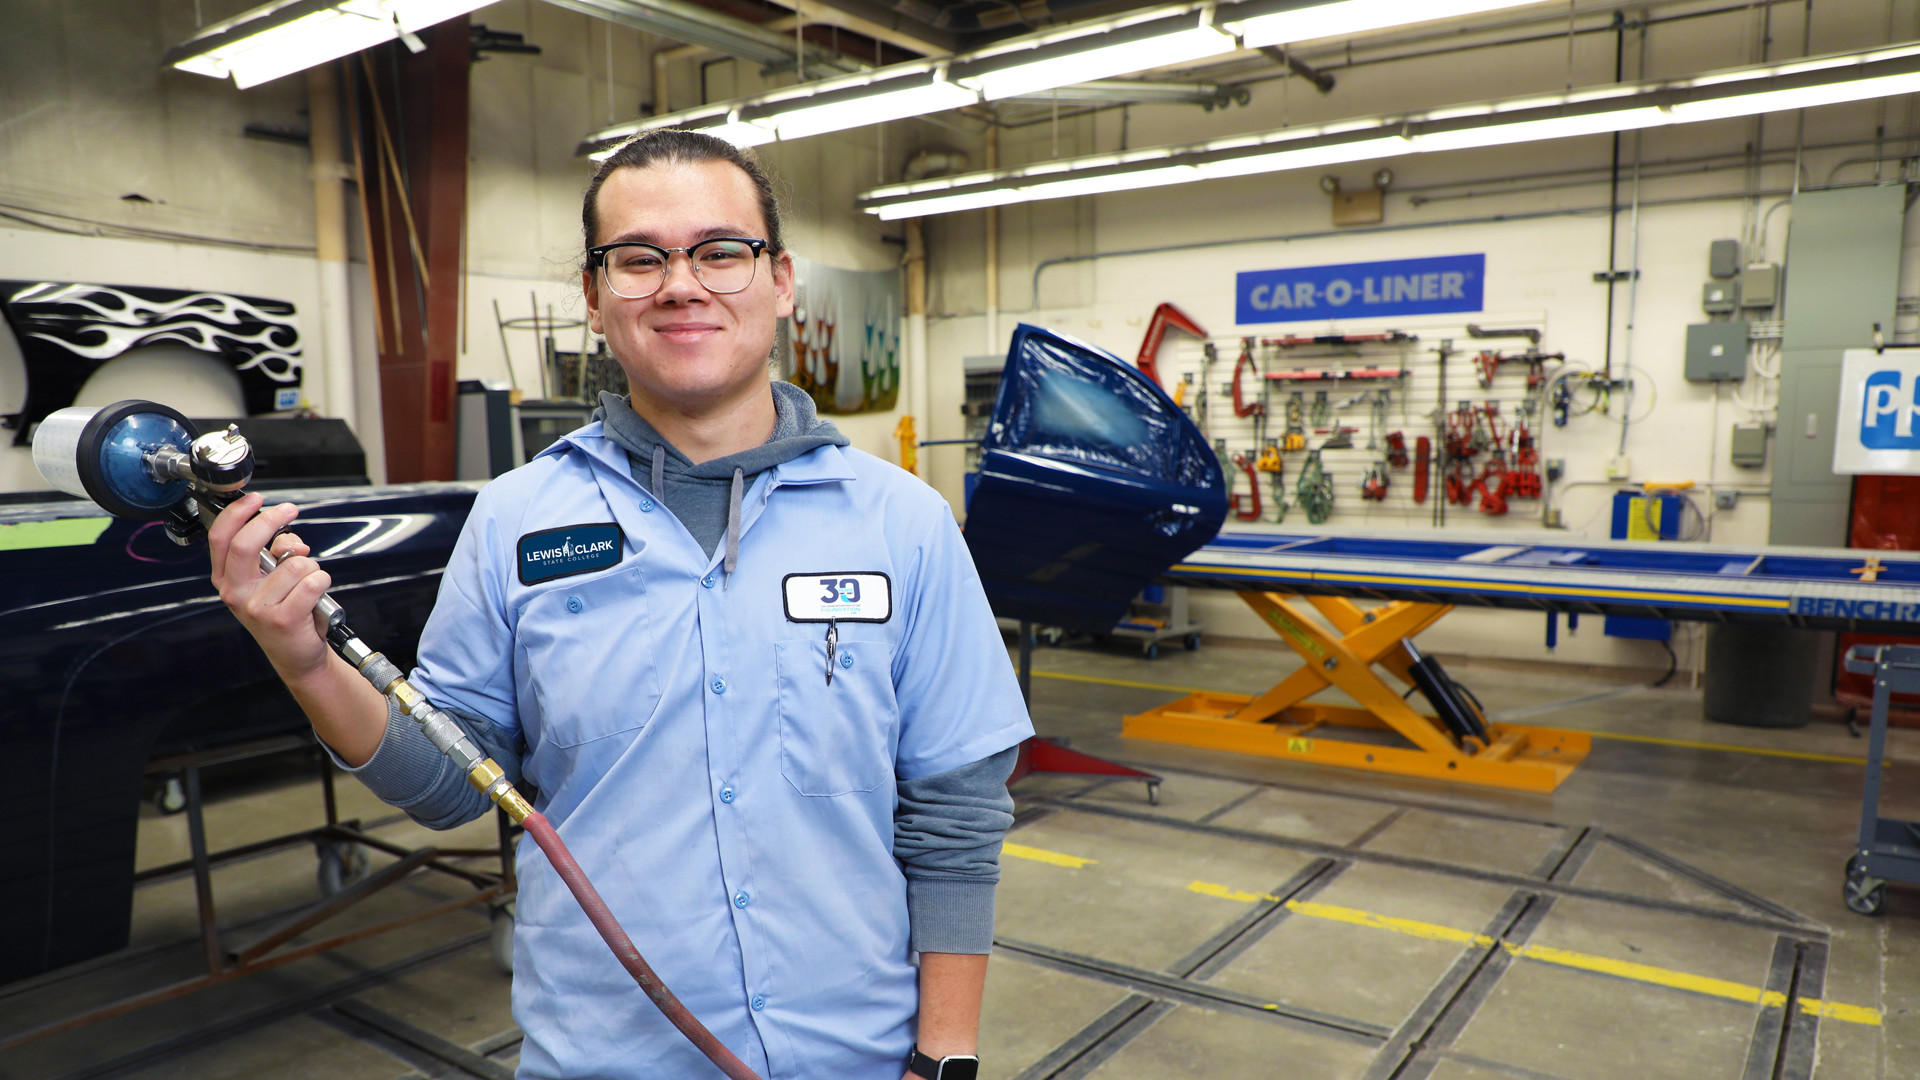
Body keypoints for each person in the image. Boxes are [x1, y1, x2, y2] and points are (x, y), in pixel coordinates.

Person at [208, 129, 1033, 1080]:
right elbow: (447, 786)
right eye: (639, 259)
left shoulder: (904, 524)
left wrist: (947, 1057)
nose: (682, 284)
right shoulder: (515, 520)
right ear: (596, 298)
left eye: (721, 251)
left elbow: (956, 812)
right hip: (604, 1058)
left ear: (782, 280)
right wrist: (306, 661)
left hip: (860, 1056)